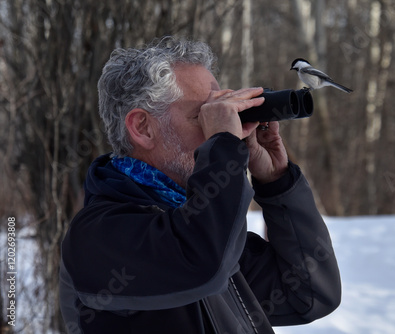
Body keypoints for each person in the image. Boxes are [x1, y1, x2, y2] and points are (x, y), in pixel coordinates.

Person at [59, 36, 341, 334]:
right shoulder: (98, 236)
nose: (219, 129)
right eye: (203, 116)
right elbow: (203, 264)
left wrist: (277, 183)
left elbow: (309, 295)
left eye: (220, 115)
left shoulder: (198, 225)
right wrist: (224, 150)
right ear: (142, 128)